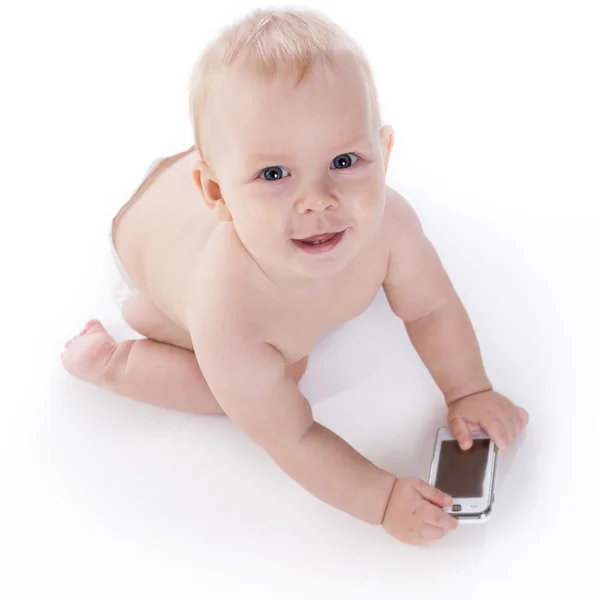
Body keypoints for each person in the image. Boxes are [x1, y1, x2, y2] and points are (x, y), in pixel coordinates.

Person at [62, 8, 528, 545]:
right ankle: (115, 363)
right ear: (217, 194)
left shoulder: (390, 226)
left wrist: (469, 389)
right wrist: (380, 499)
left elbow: (431, 308)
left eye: (346, 160)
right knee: (264, 380)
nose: (318, 201)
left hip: (191, 173)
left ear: (384, 152)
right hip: (147, 247)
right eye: (276, 174)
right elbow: (294, 435)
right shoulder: (229, 313)